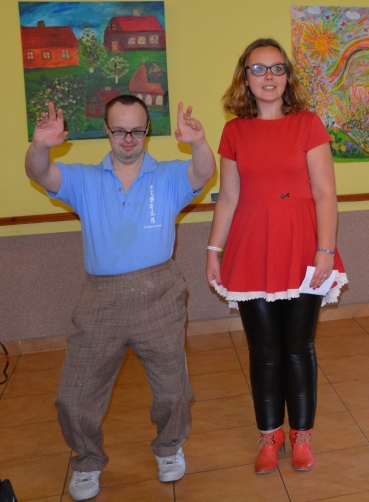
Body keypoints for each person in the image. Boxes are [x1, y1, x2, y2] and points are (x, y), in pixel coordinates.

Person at [24, 95, 216, 501]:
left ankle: (169, 447)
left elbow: (202, 172)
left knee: (173, 390)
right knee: (73, 397)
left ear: (148, 131)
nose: (128, 139)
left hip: (159, 293)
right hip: (100, 299)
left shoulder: (168, 176)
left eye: (137, 131)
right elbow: (40, 173)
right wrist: (39, 146)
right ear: (106, 131)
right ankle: (87, 461)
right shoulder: (84, 180)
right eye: (119, 130)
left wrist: (199, 143)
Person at [207, 38, 346, 475]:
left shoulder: (308, 124)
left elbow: (325, 193)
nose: (268, 77)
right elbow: (228, 198)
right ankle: (270, 436)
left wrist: (325, 250)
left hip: (304, 246)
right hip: (251, 247)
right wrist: (213, 250)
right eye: (258, 69)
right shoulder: (234, 131)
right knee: (264, 350)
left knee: (299, 347)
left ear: (287, 75)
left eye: (277, 68)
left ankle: (302, 436)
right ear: (244, 77)